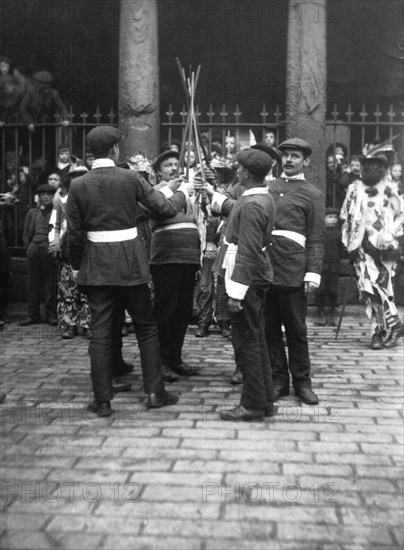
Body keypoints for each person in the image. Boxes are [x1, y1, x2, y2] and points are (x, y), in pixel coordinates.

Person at [65, 126, 190, 417]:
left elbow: (74, 235)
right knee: (146, 327)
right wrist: (183, 190)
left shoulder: (78, 185)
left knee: (100, 332)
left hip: (96, 266)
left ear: (92, 153)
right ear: (115, 150)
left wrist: (75, 266)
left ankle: (103, 400)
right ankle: (155, 393)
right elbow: (164, 209)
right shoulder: (131, 178)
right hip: (132, 264)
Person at [209, 149, 276, 421]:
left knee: (247, 341)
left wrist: (236, 293)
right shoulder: (261, 198)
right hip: (256, 277)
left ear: (246, 173)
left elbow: (247, 251)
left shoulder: (251, 205)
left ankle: (252, 405)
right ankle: (264, 398)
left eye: (239, 170)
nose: (237, 173)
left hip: (246, 279)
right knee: (257, 339)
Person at [264, 138, 325, 405]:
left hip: (293, 270)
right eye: (285, 155)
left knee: (296, 329)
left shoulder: (312, 194)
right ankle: (279, 380)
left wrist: (312, 272)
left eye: (295, 156)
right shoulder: (267, 188)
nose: (289, 160)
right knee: (269, 329)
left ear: (306, 161)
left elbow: (316, 237)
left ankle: (303, 382)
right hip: (265, 268)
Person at [341, 153, 404, 349]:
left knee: (383, 290)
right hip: (361, 250)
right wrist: (349, 243)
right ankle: (378, 332)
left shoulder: (390, 190)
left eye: (376, 165)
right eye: (367, 165)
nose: (371, 169)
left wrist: (389, 235)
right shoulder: (353, 190)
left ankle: (392, 326)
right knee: (369, 291)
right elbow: (346, 218)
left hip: (384, 251)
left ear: (383, 168)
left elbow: (401, 217)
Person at [149, 150, 201, 382]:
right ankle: (159, 362)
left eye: (175, 165)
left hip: (188, 256)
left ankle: (175, 358)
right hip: (166, 257)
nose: (173, 168)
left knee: (182, 312)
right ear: (159, 171)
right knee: (166, 310)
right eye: (167, 165)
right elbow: (160, 207)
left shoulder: (185, 191)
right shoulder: (157, 191)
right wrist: (179, 189)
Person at [49, 168, 91, 339]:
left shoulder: (93, 203)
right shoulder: (61, 202)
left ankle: (88, 324)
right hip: (68, 252)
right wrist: (54, 243)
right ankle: (69, 324)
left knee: (88, 291)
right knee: (68, 291)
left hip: (89, 252)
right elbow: (55, 225)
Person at [19, 183, 58, 327]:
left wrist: (54, 247)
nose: (46, 197)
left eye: (49, 194)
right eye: (43, 194)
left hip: (48, 249)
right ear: (39, 196)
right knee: (32, 284)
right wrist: (28, 247)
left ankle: (51, 315)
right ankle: (32, 315)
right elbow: (25, 232)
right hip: (34, 248)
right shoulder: (32, 212)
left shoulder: (55, 212)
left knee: (50, 284)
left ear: (53, 196)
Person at [315, 207, 344, 326]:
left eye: (335, 217)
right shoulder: (319, 232)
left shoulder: (339, 233)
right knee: (320, 290)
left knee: (332, 290)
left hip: (334, 265)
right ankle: (321, 313)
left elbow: (341, 249)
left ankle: (332, 314)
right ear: (324, 218)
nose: (333, 220)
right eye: (330, 217)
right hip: (321, 265)